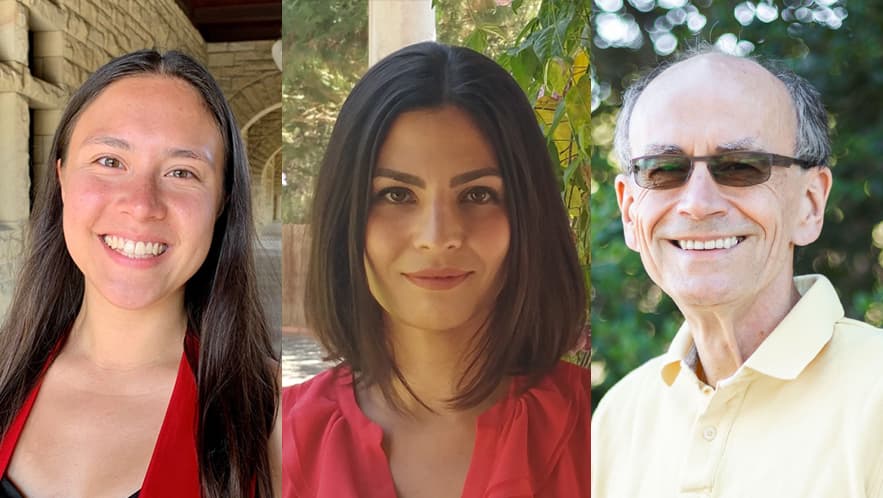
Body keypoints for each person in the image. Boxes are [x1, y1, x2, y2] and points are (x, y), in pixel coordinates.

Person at [281, 42, 590, 498]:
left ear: (528, 215)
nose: (438, 236)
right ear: (347, 217)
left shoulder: (607, 426)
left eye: (478, 194)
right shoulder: (275, 437)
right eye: (396, 195)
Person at [592, 47, 883, 497]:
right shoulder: (617, 420)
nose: (698, 204)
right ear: (630, 212)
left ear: (809, 204)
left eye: (742, 166)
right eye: (664, 169)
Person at [0, 50, 280, 498]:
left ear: (222, 201)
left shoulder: (279, 421)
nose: (142, 204)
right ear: (62, 178)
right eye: (110, 161)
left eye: (182, 172)